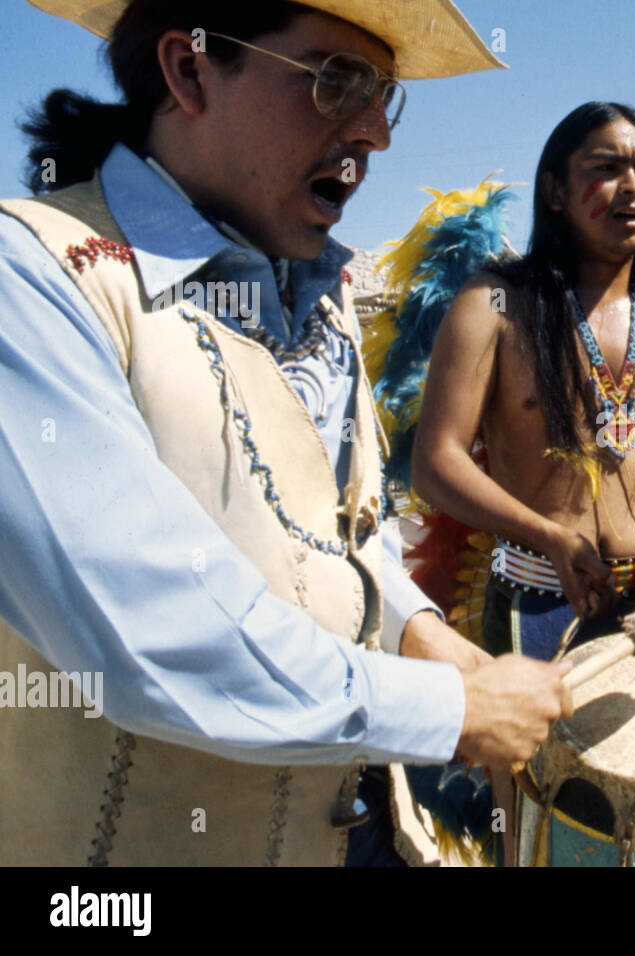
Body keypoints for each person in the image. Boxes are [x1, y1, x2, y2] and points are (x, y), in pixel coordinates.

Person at [0, 0, 573, 867]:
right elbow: (144, 629)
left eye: (385, 94)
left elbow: (333, 545)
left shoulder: (323, 298)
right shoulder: (34, 278)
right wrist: (452, 712)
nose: (376, 130)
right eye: (336, 80)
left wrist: (424, 636)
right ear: (190, 70)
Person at [412, 102, 635, 662]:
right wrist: (552, 539)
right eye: (606, 169)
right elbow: (437, 463)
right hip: (534, 603)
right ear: (555, 191)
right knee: (533, 754)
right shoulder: (493, 305)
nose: (631, 186)